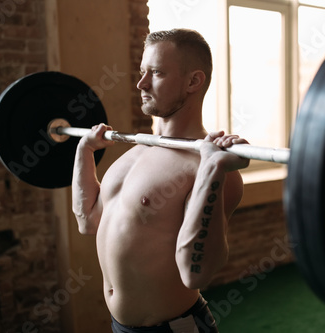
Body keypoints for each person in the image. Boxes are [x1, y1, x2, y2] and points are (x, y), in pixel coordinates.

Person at [71, 28, 250, 332]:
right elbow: (87, 221)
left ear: (193, 81)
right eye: (142, 72)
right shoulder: (132, 154)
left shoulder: (209, 168)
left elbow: (196, 273)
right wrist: (84, 149)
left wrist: (212, 170)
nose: (141, 83)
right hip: (121, 326)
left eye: (156, 73)